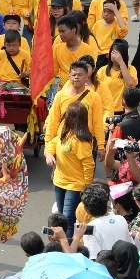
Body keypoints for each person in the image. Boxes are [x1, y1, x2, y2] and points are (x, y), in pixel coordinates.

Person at [45, 101, 96, 238]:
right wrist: (49, 153)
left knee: (68, 219)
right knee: (61, 217)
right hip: (59, 181)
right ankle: (64, 246)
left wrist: (87, 186)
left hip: (75, 185)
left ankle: (68, 248)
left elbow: (89, 165)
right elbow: (53, 142)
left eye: (70, 116)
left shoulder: (82, 141)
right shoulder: (64, 130)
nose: (66, 118)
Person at [81, 184, 131, 259]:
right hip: (125, 265)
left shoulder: (89, 229)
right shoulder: (121, 218)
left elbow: (94, 259)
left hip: (107, 269)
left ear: (86, 209)